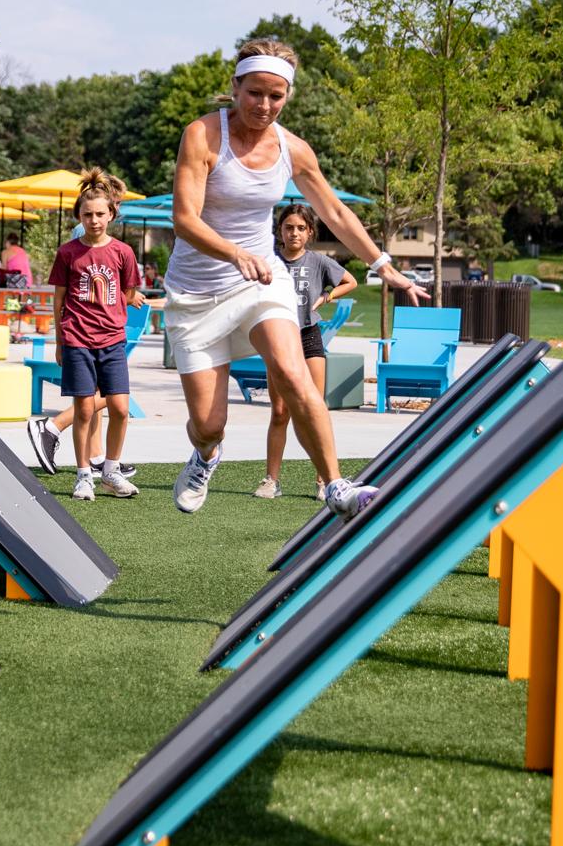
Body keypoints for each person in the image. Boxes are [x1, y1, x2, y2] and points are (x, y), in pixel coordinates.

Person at [161, 37, 427, 516]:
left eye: (276, 96)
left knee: (292, 372)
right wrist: (233, 252)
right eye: (255, 93)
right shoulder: (202, 135)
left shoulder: (293, 149)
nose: (265, 105)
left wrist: (384, 266)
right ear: (236, 87)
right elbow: (185, 219)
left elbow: (336, 212)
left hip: (259, 282)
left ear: (288, 95)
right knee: (209, 423)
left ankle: (335, 485)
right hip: (196, 293)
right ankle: (205, 454)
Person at [45, 170, 143, 501]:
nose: (94, 220)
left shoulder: (123, 253)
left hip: (113, 340)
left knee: (119, 407)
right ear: (79, 217)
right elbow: (58, 299)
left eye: (100, 214)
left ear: (111, 214)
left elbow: (127, 292)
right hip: (77, 339)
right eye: (87, 214)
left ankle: (110, 472)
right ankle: (84, 475)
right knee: (85, 410)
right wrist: (60, 341)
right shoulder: (68, 252)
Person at [255, 204, 358, 501]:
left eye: (301, 228)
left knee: (316, 409)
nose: (294, 233)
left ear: (310, 232)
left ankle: (324, 482)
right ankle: (271, 480)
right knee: (279, 411)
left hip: (309, 336)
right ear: (280, 232)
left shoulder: (319, 261)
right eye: (289, 227)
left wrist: (327, 295)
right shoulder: (271, 261)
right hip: (278, 339)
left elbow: (350, 281)